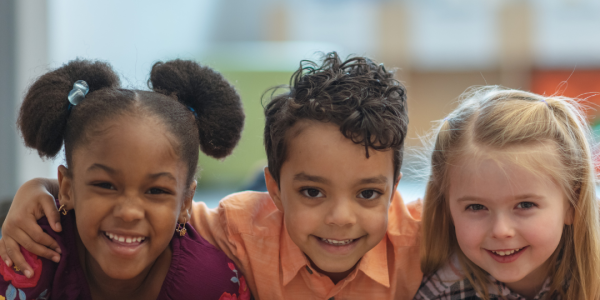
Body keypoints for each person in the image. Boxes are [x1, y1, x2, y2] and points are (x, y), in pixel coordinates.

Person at [0, 52, 422, 299]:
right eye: (313, 190)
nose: (341, 217)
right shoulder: (236, 227)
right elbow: (154, 205)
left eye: (367, 194)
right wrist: (42, 190)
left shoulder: (426, 238)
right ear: (275, 188)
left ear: (395, 189)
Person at [0, 59, 250, 299]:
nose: (129, 213)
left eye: (156, 191)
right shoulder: (30, 254)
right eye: (105, 185)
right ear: (66, 189)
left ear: (186, 203)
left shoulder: (212, 286)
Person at [413, 87, 600, 300]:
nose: (501, 231)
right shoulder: (443, 294)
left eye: (525, 205)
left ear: (572, 205)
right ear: (447, 209)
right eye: (476, 207)